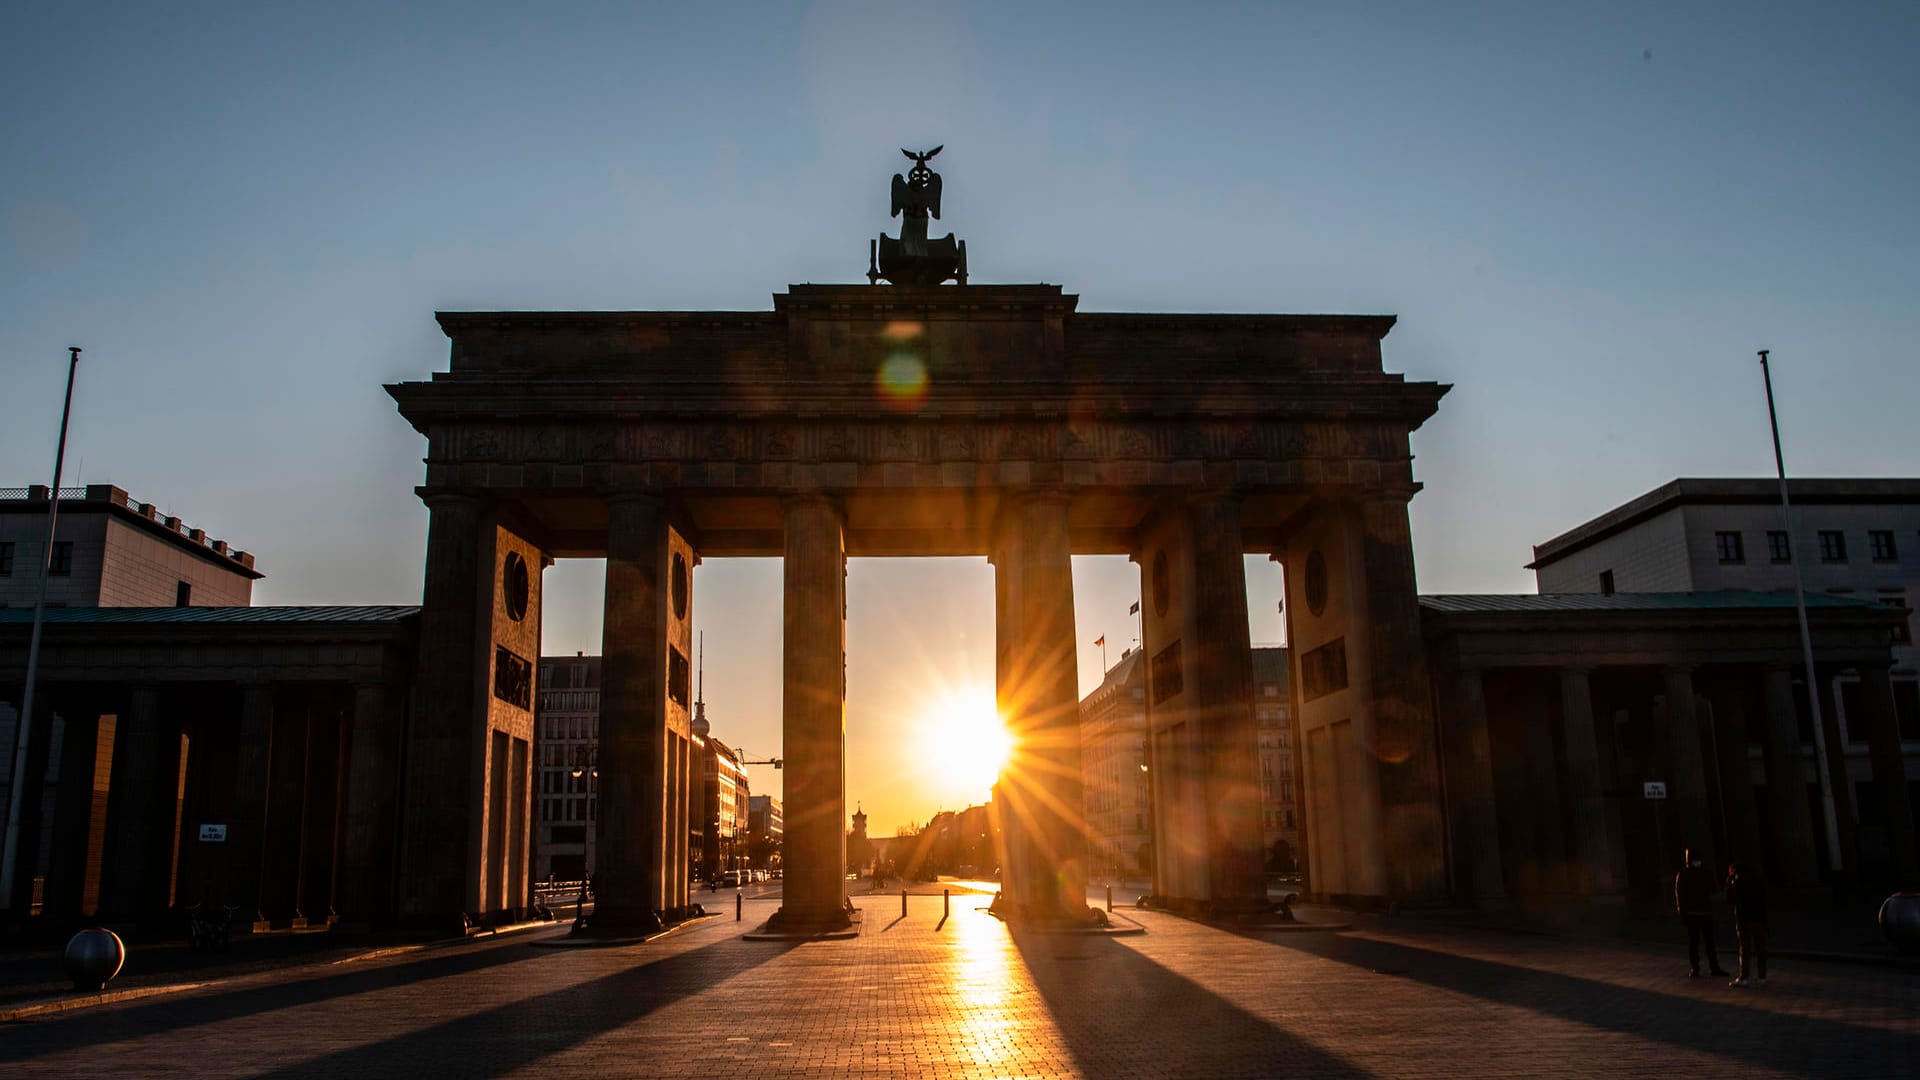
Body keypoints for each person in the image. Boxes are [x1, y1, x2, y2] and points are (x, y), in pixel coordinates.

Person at [1674, 847, 1728, 978]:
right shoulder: (1688, 873)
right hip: (1696, 913)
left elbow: (1713, 888)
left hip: (1702, 912)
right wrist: (1682, 912)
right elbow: (1680, 895)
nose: (1696, 861)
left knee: (1705, 942)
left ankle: (1707, 967)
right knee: (1697, 943)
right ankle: (1699, 968)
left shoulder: (1699, 872)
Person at [1726, 862, 1769, 987]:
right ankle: (1762, 976)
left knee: (1745, 948)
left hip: (1744, 918)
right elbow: (1764, 898)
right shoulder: (1758, 878)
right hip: (1759, 916)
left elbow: (1730, 899)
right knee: (1761, 948)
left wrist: (1728, 883)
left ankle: (1744, 977)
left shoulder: (1736, 880)